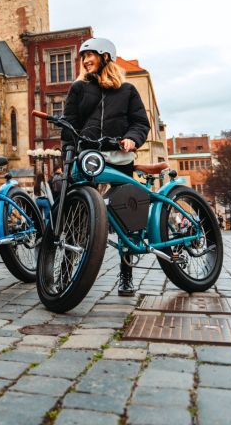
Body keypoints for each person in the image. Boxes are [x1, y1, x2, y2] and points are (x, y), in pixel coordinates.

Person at [62, 37, 151, 296]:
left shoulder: (127, 91)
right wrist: (68, 154)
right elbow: (69, 124)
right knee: (76, 212)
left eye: (90, 55)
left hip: (120, 157)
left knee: (126, 214)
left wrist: (132, 139)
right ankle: (66, 270)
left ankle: (126, 274)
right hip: (89, 156)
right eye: (83, 57)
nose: (85, 60)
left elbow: (140, 123)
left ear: (105, 57)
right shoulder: (79, 89)